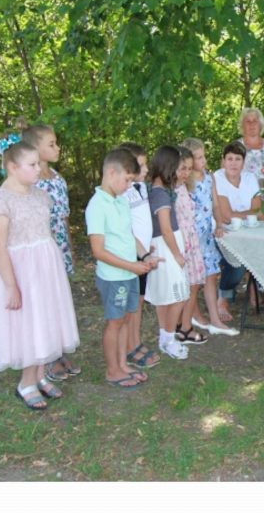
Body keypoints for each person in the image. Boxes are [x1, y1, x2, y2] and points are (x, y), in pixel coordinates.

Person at [0, 132, 80, 409]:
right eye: (32, 165)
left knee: (45, 318)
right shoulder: (1, 202)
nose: (39, 169)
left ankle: (39, 375)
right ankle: (26, 382)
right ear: (13, 168)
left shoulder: (41, 196)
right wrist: (11, 286)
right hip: (21, 272)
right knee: (29, 322)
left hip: (45, 268)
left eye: (39, 163)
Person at [86, 149, 160, 389]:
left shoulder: (120, 200)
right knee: (115, 322)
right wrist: (132, 266)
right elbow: (98, 251)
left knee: (126, 318)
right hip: (114, 277)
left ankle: (122, 365)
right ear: (111, 173)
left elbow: (129, 236)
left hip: (129, 273)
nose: (130, 185)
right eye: (127, 180)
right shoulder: (97, 205)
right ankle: (112, 370)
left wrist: (145, 257)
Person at [17, 117, 81, 382]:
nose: (57, 148)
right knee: (42, 302)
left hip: (59, 247)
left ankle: (58, 349)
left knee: (58, 299)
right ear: (35, 149)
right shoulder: (29, 184)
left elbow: (63, 217)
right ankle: (45, 358)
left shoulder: (57, 178)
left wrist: (70, 248)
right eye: (52, 144)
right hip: (39, 249)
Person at [181, 138, 238, 336]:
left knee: (211, 276)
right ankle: (195, 315)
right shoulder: (185, 182)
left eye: (204, 156)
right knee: (193, 281)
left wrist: (219, 224)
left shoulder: (209, 177)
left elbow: (215, 204)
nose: (203, 161)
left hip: (206, 237)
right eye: (198, 158)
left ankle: (215, 319)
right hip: (191, 239)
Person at [145, 146, 192, 360]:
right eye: (177, 168)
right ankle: (169, 338)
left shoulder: (159, 192)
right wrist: (177, 255)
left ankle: (165, 338)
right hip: (166, 248)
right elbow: (165, 229)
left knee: (168, 296)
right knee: (179, 295)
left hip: (167, 246)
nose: (179, 173)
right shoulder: (160, 195)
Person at [117, 142, 160, 369]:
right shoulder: (121, 193)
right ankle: (128, 347)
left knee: (140, 300)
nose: (146, 170)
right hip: (130, 256)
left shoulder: (141, 187)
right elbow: (126, 228)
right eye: (141, 166)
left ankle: (135, 341)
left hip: (143, 254)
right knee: (131, 303)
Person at [213, 141, 263, 313]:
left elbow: (260, 212)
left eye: (237, 159)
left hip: (249, 232)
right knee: (238, 263)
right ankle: (223, 296)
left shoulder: (250, 178)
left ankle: (252, 285)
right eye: (229, 159)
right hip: (223, 233)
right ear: (223, 161)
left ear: (243, 162)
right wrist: (249, 214)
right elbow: (226, 217)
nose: (233, 163)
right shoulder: (217, 178)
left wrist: (238, 214)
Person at [173, 146, 209, 345]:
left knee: (193, 284)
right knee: (189, 286)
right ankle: (185, 328)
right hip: (182, 242)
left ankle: (182, 323)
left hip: (191, 240)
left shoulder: (184, 187)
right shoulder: (171, 191)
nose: (185, 172)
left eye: (188, 168)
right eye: (182, 168)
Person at [237, 107, 264, 186]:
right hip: (242, 192)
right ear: (242, 125)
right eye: (247, 121)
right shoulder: (235, 147)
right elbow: (225, 173)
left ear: (261, 124)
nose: (252, 124)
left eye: (255, 121)